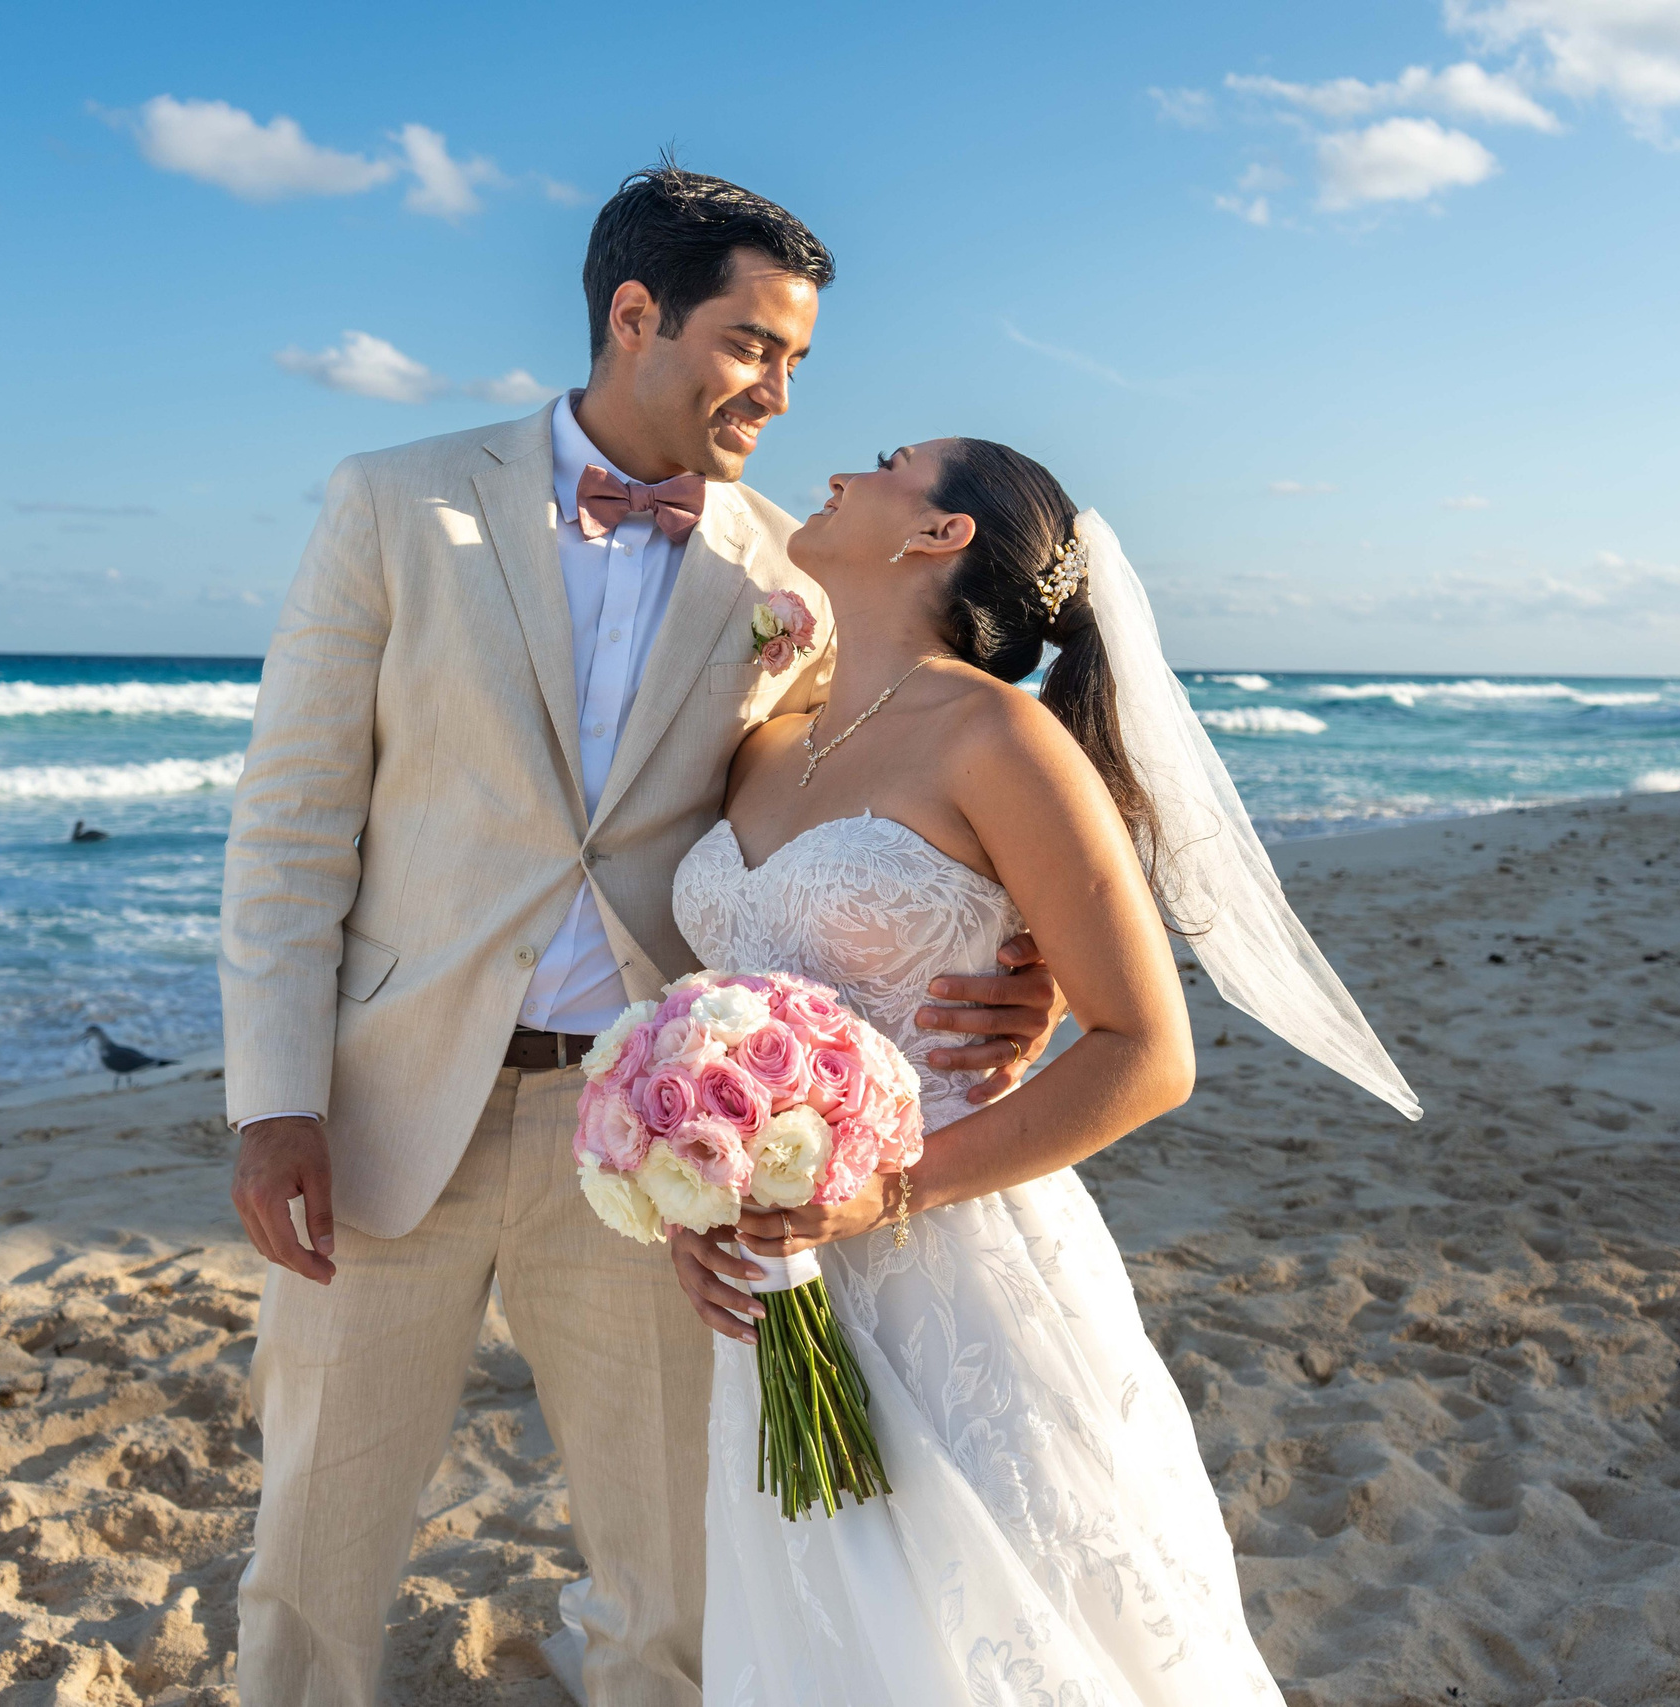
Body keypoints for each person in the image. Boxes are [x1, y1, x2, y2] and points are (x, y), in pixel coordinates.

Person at [217, 166, 1064, 1706]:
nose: (784, 392)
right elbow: (290, 827)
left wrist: (1028, 963)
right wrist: (273, 1099)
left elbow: (866, 792)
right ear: (633, 314)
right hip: (389, 1111)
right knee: (310, 1570)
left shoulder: (790, 572)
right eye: (756, 345)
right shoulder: (395, 502)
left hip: (662, 1140)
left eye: (798, 357)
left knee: (672, 1589)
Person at [664, 439, 1420, 1703]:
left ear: (937, 536)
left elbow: (1148, 1052)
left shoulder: (997, 737)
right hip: (775, 1265)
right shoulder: (763, 737)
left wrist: (886, 1192)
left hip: (953, 1253)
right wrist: (692, 1196)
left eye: (892, 463)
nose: (845, 467)